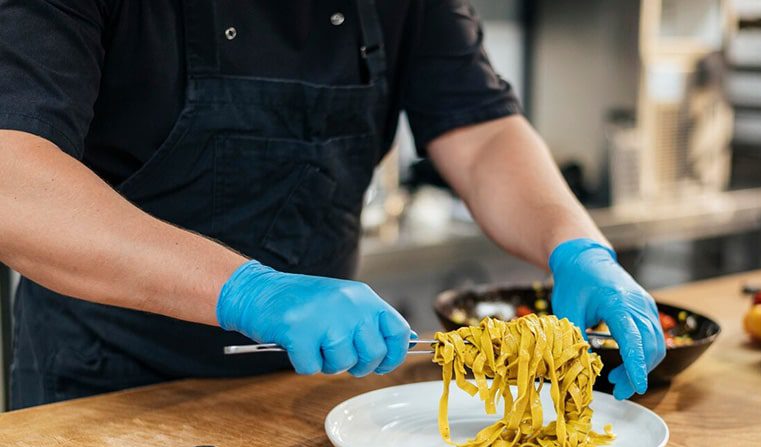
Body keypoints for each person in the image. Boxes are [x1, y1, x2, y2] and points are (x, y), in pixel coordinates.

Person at [0, 1, 665, 409]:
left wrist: (577, 245)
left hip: (311, 391)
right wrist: (250, 292)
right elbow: (14, 182)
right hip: (104, 386)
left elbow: (483, 131)